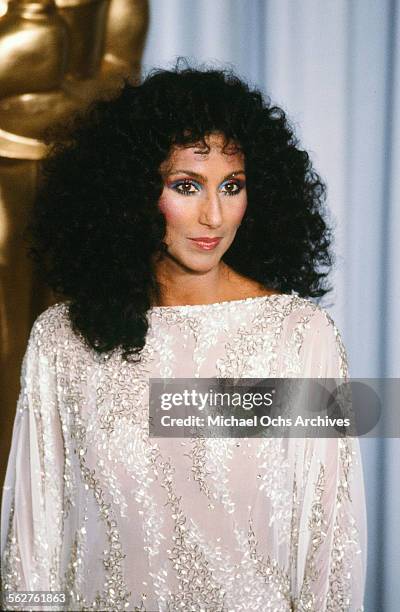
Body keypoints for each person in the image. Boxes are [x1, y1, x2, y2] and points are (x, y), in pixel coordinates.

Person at [0, 61, 367, 611]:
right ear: (131, 192)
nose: (214, 215)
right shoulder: (62, 342)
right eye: (187, 185)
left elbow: (330, 552)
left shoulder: (300, 338)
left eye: (232, 186)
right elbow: (32, 550)